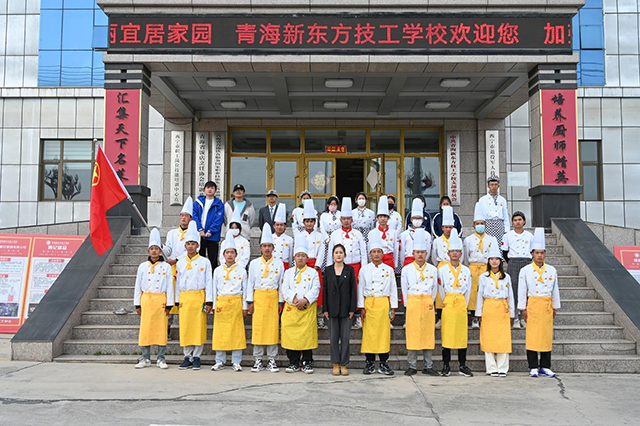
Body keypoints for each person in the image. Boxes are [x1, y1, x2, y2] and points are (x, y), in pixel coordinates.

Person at [519, 228, 561, 378]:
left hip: (547, 305)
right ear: (532, 254)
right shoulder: (525, 270)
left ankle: (545, 366)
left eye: (542, 253)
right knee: (532, 336)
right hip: (533, 304)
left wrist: (555, 306)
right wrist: (522, 308)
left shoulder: (552, 270)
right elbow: (522, 290)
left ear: (545, 254)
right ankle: (532, 366)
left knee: (546, 336)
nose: (539, 255)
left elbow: (555, 289)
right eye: (537, 253)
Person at [401, 228, 439, 376]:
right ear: (413, 253)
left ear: (426, 253)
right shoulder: (407, 269)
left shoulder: (432, 269)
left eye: (422, 252)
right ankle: (412, 365)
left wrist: (430, 301)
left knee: (428, 334)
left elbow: (435, 288)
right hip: (413, 302)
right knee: (413, 334)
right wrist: (408, 304)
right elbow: (404, 288)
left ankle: (428, 365)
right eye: (417, 252)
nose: (420, 255)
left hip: (427, 301)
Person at [358, 232, 398, 376]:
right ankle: (369, 363)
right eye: (374, 252)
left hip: (383, 303)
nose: (376, 254)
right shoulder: (364, 270)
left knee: (383, 335)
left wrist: (393, 308)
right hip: (369, 303)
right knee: (369, 335)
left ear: (382, 253)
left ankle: (383, 363)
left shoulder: (389, 270)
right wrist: (361, 307)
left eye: (379, 252)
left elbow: (393, 289)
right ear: (370, 254)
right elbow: (360, 288)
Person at [247, 224, 285, 373]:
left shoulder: (279, 263)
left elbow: (281, 284)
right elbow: (250, 283)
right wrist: (250, 301)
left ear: (273, 248)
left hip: (273, 297)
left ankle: (271, 359)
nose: (267, 248)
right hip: (259, 297)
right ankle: (257, 359)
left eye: (269, 246)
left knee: (272, 329)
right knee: (258, 329)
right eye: (264, 246)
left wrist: (280, 301)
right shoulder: (254, 263)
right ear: (260, 248)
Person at [176, 221, 213, 371]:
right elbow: (178, 282)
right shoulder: (180, 262)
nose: (191, 246)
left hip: (199, 297)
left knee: (198, 328)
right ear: (185, 245)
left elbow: (209, 282)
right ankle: (187, 356)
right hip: (185, 297)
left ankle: (197, 356)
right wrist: (177, 300)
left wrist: (209, 301)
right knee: (186, 327)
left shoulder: (205, 262)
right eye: (188, 244)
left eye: (193, 244)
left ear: (198, 245)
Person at [134, 228, 173, 370]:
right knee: (146, 330)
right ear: (148, 251)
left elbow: (169, 286)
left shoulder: (166, 266)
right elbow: (138, 286)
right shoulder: (142, 266)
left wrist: (169, 305)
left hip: (160, 301)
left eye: (156, 248)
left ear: (160, 251)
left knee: (161, 330)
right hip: (146, 300)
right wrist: (137, 304)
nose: (154, 251)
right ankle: (145, 358)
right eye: (152, 249)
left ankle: (161, 358)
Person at [326, 197, 367, 330]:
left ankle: (358, 316)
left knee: (357, 291)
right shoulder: (335, 234)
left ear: (352, 219)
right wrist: (329, 269)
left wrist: (364, 269)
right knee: (343, 291)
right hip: (339, 268)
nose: (346, 221)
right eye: (344, 219)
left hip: (356, 266)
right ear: (340, 219)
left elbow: (363, 252)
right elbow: (330, 253)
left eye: (348, 218)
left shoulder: (358, 234)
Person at [281, 236, 321, 374]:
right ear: (294, 258)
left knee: (307, 336)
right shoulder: (288, 272)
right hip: (292, 308)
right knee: (291, 337)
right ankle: (293, 362)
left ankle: (307, 362)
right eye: (298, 255)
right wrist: (295, 300)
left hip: (307, 308)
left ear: (307, 258)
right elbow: (285, 289)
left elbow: (316, 288)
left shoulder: (313, 272)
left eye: (303, 256)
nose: (300, 258)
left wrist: (305, 300)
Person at [211, 230, 248, 372]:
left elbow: (245, 289)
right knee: (220, 333)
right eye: (227, 252)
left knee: (237, 332)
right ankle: (219, 360)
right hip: (222, 302)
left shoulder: (241, 270)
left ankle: (236, 361)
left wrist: (244, 306)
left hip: (236, 302)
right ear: (223, 254)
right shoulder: (217, 270)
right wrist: (214, 305)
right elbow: (214, 288)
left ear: (236, 254)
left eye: (232, 252)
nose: (230, 255)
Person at [438, 229, 473, 377]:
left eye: (457, 251)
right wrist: (446, 301)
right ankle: (446, 365)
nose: (454, 254)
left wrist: (464, 304)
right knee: (447, 336)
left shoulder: (466, 270)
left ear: (461, 254)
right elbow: (440, 288)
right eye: (452, 251)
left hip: (460, 303)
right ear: (448, 253)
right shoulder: (442, 270)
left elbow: (468, 290)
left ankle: (462, 365)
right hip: (448, 302)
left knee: (461, 336)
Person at [476, 244, 515, 377]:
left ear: (500, 261)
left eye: (496, 259)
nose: (494, 261)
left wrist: (512, 312)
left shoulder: (506, 277)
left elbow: (510, 295)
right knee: (489, 338)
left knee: (503, 338)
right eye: (491, 259)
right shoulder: (483, 277)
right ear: (488, 261)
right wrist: (479, 313)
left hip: (502, 309)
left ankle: (502, 367)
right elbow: (480, 295)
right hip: (489, 308)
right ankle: (491, 367)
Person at [162, 196, 195, 339]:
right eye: (182, 215)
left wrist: (176, 260)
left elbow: (193, 251)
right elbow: (168, 249)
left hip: (186, 269)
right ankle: (167, 329)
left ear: (191, 218)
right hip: (171, 270)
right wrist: (161, 247)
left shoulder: (193, 234)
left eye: (186, 216)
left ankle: (185, 330)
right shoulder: (172, 233)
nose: (183, 218)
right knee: (169, 297)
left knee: (182, 300)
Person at [323, 244, 357, 376]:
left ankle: (344, 364)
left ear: (345, 255)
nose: (338, 255)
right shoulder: (328, 270)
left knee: (345, 338)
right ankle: (335, 363)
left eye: (341, 252)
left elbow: (353, 289)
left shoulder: (350, 270)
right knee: (333, 338)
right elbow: (325, 291)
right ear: (332, 255)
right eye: (336, 252)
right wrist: (325, 309)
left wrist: (352, 308)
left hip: (346, 308)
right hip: (331, 308)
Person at [464, 202, 499, 330]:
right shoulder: (468, 240)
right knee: (473, 293)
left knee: (485, 291)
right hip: (473, 268)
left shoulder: (491, 239)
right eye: (477, 223)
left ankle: (485, 316)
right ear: (473, 225)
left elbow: (494, 256)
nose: (480, 225)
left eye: (482, 223)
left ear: (486, 225)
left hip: (486, 268)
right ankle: (474, 317)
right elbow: (466, 257)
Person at [431, 205, 463, 328]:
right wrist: (439, 265)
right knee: (440, 294)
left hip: (455, 267)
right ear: (442, 228)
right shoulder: (437, 241)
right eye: (446, 227)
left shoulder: (458, 240)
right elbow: (434, 256)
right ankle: (440, 317)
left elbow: (462, 256)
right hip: (442, 266)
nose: (448, 229)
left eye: (450, 227)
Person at [502, 211, 534, 329]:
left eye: (520, 220)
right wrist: (510, 262)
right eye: (515, 220)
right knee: (514, 289)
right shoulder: (507, 236)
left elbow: (533, 251)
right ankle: (515, 317)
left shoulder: (530, 236)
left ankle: (524, 317)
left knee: (526, 290)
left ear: (524, 221)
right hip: (513, 262)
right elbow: (504, 252)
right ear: (512, 223)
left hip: (526, 262)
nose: (518, 222)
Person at [299, 199, 326, 328]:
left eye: (311, 221)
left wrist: (317, 265)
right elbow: (297, 252)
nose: (309, 223)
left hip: (315, 266)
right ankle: (305, 315)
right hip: (303, 266)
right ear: (303, 222)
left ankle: (319, 317)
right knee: (304, 290)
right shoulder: (300, 236)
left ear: (315, 222)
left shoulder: (319, 236)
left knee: (317, 292)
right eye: (307, 221)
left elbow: (322, 251)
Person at [193, 181, 225, 268]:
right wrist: (199, 229)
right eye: (208, 187)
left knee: (213, 259)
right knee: (199, 259)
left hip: (213, 236)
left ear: (215, 190)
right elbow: (194, 216)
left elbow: (219, 219)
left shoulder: (219, 204)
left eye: (212, 188)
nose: (210, 189)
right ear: (204, 189)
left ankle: (213, 275)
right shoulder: (198, 202)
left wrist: (211, 231)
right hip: (199, 235)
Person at [477, 175, 510, 250]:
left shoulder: (502, 200)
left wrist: (507, 230)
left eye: (496, 185)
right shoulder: (482, 200)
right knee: (487, 245)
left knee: (500, 246)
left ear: (498, 186)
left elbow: (505, 215)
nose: (494, 187)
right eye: (492, 185)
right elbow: (480, 215)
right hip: (488, 224)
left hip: (499, 224)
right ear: (488, 186)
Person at [399, 198, 433, 268]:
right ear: (411, 219)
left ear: (422, 220)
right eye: (415, 218)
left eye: (419, 218)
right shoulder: (404, 234)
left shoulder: (427, 235)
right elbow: (402, 253)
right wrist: (404, 265)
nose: (417, 220)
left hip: (422, 264)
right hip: (407, 263)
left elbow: (428, 251)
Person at [368, 195, 399, 271]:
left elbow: (396, 249)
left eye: (385, 217)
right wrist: (370, 262)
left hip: (389, 259)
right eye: (380, 217)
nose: (382, 219)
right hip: (376, 260)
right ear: (377, 218)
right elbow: (369, 249)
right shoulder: (372, 233)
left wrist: (395, 264)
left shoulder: (393, 232)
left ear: (388, 218)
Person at [272, 203, 294, 270]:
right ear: (274, 226)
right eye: (277, 225)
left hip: (285, 266)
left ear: (285, 226)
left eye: (281, 225)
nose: (279, 227)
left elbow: (291, 256)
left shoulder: (289, 239)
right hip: (272, 266)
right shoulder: (270, 238)